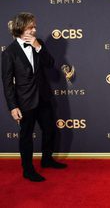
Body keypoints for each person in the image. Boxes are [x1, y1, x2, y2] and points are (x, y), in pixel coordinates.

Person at [1, 12, 67, 182]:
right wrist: (13, 106)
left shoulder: (39, 44)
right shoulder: (9, 53)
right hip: (24, 101)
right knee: (26, 136)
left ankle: (47, 159)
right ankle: (28, 170)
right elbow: (7, 83)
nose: (34, 30)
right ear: (20, 28)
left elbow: (50, 64)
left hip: (43, 97)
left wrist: (38, 46)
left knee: (49, 130)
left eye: (34, 26)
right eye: (30, 27)